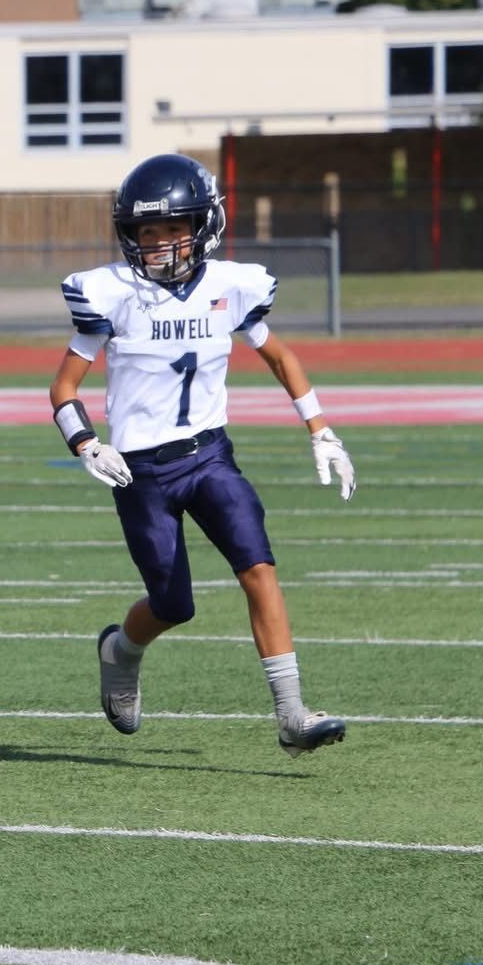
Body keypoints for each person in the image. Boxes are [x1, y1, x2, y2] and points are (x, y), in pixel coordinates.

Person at [48, 152, 356, 758]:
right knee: (173, 603)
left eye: (172, 228)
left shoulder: (230, 286)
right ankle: (121, 650)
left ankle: (292, 714)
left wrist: (321, 429)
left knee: (258, 568)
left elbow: (280, 358)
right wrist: (85, 442)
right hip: (141, 471)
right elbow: (63, 388)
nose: (159, 243)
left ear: (203, 225)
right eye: (147, 232)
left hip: (210, 456)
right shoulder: (113, 293)